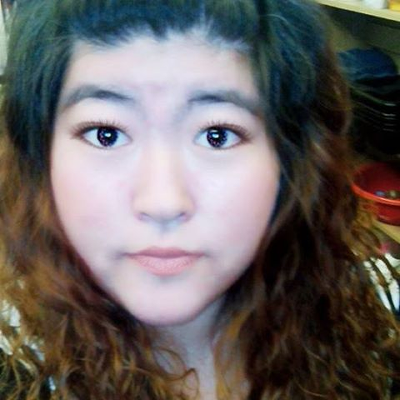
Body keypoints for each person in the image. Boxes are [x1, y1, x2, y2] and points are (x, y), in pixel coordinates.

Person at [0, 0, 398, 399]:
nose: (163, 202)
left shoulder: (376, 325)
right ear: (41, 157)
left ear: (289, 161)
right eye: (107, 134)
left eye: (217, 136)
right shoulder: (17, 369)